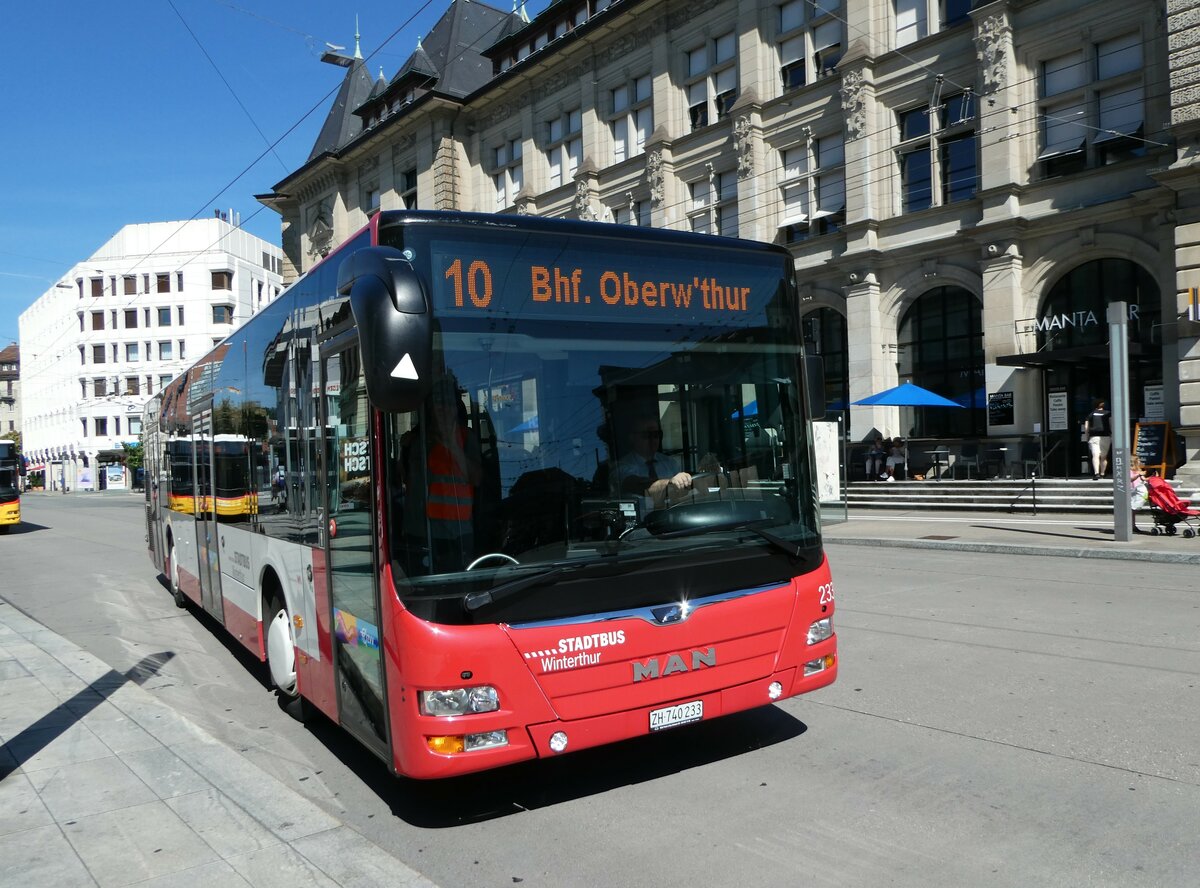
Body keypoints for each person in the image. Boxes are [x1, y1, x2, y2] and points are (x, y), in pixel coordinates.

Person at [400, 376, 482, 573]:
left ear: (456, 408)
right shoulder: (417, 440)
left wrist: (453, 446)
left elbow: (477, 478)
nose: (443, 410)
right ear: (430, 410)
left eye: (448, 404)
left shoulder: (466, 438)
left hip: (460, 532)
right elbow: (402, 480)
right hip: (422, 532)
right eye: (438, 404)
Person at [611, 415, 692, 507]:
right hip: (641, 519)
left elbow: (682, 494)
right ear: (632, 438)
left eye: (656, 435)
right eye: (646, 435)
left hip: (670, 517)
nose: (652, 440)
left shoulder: (670, 463)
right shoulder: (621, 466)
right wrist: (669, 483)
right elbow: (639, 485)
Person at [1085, 399, 1112, 480]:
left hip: (1094, 437)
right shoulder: (1108, 413)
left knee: (1095, 455)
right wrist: (1112, 436)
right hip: (1106, 436)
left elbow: (1086, 427)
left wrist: (1087, 437)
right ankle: (1103, 473)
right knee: (1104, 457)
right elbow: (1111, 424)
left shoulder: (1091, 414)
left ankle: (1096, 473)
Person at [1129, 456, 1149, 533]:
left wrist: (1152, 477)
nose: (1140, 462)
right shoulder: (1129, 470)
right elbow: (1130, 479)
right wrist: (1138, 475)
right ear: (1134, 462)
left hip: (1138, 491)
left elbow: (1144, 479)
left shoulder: (1139, 470)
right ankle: (1131, 526)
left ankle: (1133, 525)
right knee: (1132, 510)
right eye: (1138, 460)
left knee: (1133, 510)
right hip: (1132, 491)